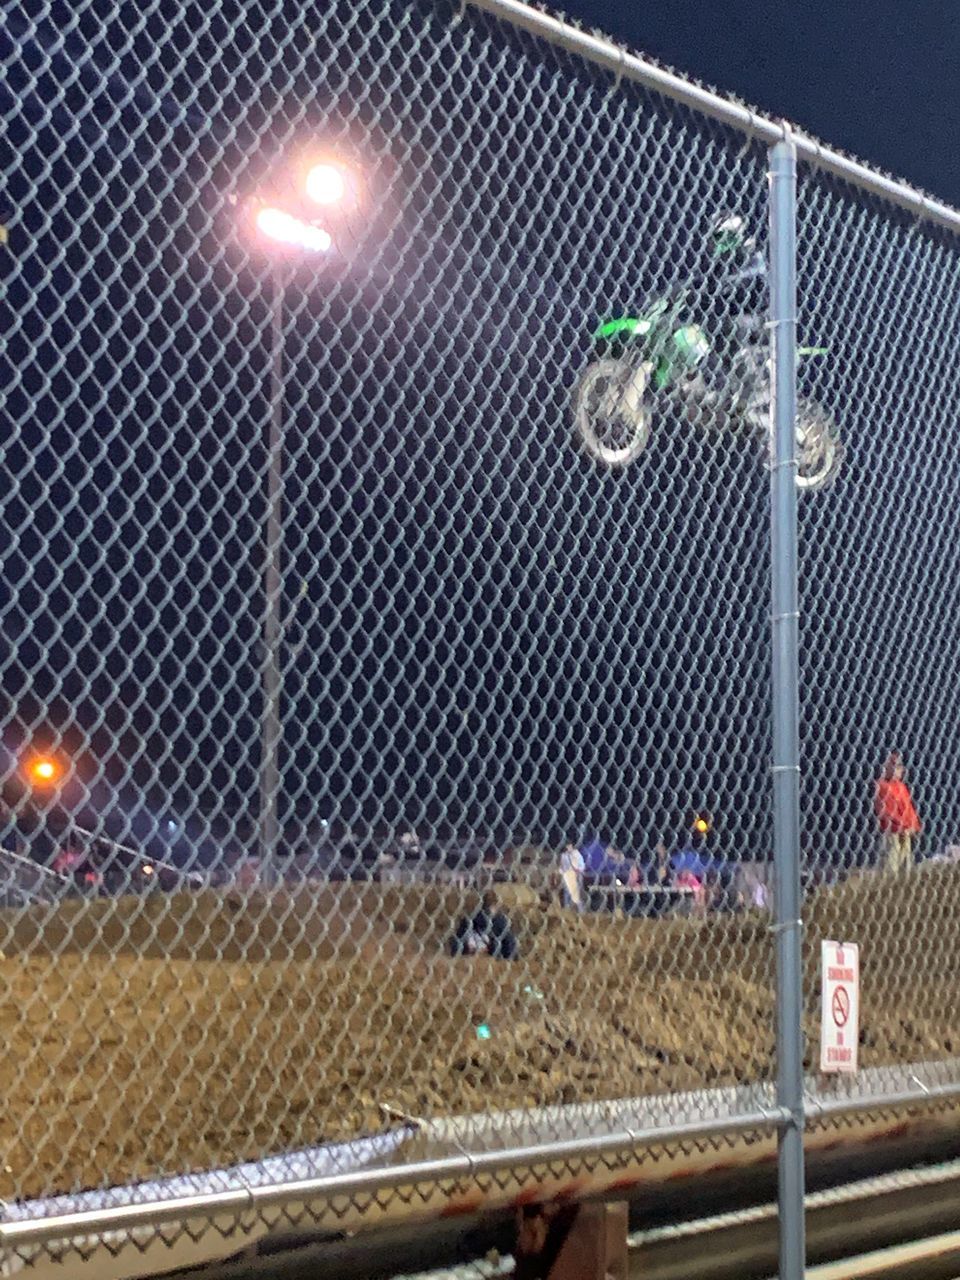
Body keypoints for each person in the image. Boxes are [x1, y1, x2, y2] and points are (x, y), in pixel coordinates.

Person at [875, 752, 921, 873]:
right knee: (891, 865)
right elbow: (886, 811)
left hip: (905, 830)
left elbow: (909, 808)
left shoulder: (901, 786)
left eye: (900, 766)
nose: (900, 770)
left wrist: (914, 825)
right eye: (896, 766)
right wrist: (904, 825)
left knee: (906, 865)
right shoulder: (882, 785)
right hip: (892, 831)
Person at [448, 891, 518, 960]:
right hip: (492, 954)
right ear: (495, 905)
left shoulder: (469, 919)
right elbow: (510, 943)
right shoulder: (500, 921)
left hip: (468, 953)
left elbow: (456, 943)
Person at [559, 843, 585, 912]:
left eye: (570, 846)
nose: (569, 847)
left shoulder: (576, 854)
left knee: (576, 892)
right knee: (567, 891)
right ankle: (567, 909)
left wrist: (578, 870)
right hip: (567, 875)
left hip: (576, 874)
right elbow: (562, 865)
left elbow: (581, 865)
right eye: (567, 846)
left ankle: (580, 910)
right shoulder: (564, 855)